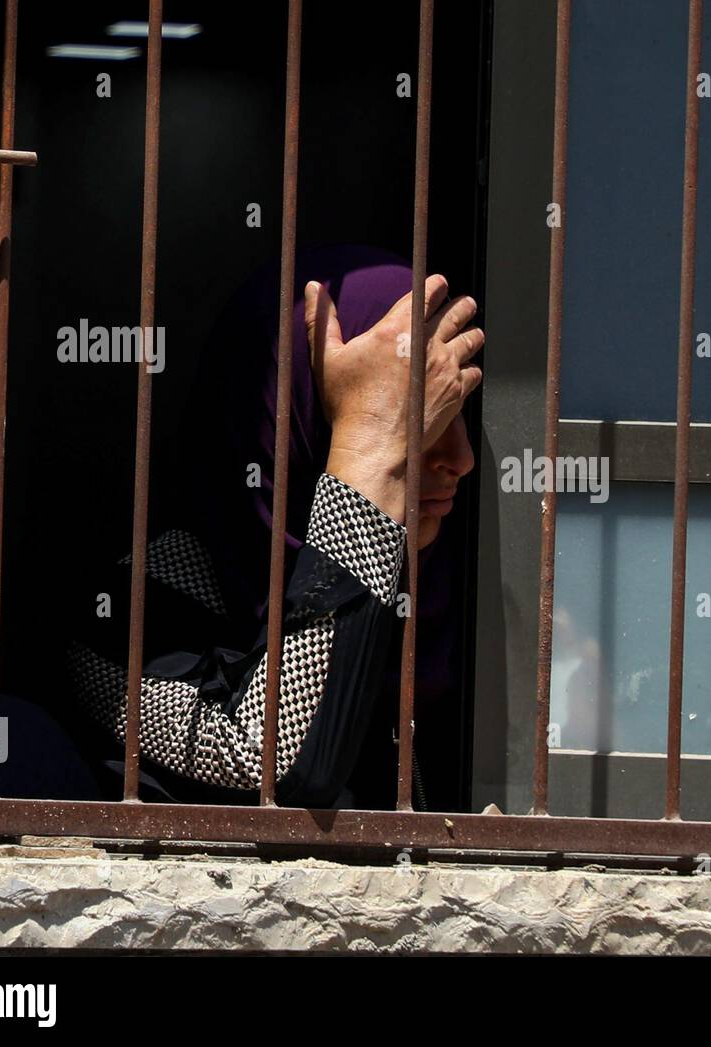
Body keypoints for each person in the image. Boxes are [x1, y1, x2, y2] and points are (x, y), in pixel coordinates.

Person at [63, 246, 484, 809]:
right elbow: (277, 766)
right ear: (294, 413)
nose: (461, 459)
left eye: (451, 411)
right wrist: (371, 445)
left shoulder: (461, 594)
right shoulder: (130, 614)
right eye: (422, 419)